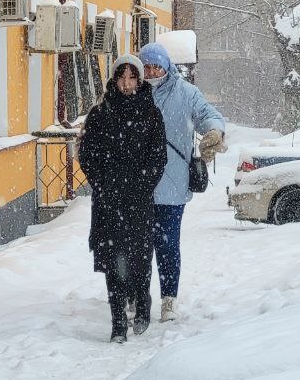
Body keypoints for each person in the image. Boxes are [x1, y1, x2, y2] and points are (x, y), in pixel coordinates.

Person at [79, 55, 167, 343]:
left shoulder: (151, 114)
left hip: (139, 201)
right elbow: (88, 155)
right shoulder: (101, 113)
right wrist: (102, 185)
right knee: (113, 260)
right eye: (122, 77)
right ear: (114, 79)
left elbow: (158, 157)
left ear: (140, 80)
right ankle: (118, 322)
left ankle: (143, 303)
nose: (127, 83)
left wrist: (143, 185)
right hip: (108, 201)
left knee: (139, 259)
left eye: (132, 77)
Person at [138, 42, 227, 322]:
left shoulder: (186, 93)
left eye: (156, 65)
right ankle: (135, 298)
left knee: (167, 245)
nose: (152, 71)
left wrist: (214, 132)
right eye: (147, 66)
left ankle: (168, 299)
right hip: (136, 187)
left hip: (172, 185)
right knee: (137, 248)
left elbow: (208, 115)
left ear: (167, 66)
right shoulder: (129, 92)